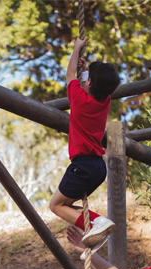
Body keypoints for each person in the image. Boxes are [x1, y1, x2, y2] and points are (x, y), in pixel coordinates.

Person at [49, 36, 120, 251]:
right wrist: (86, 68)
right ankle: (96, 229)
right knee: (65, 205)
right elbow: (82, 81)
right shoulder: (104, 101)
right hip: (98, 167)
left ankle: (98, 222)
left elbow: (70, 75)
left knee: (56, 205)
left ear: (88, 83)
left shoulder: (79, 100)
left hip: (83, 166)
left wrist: (76, 49)